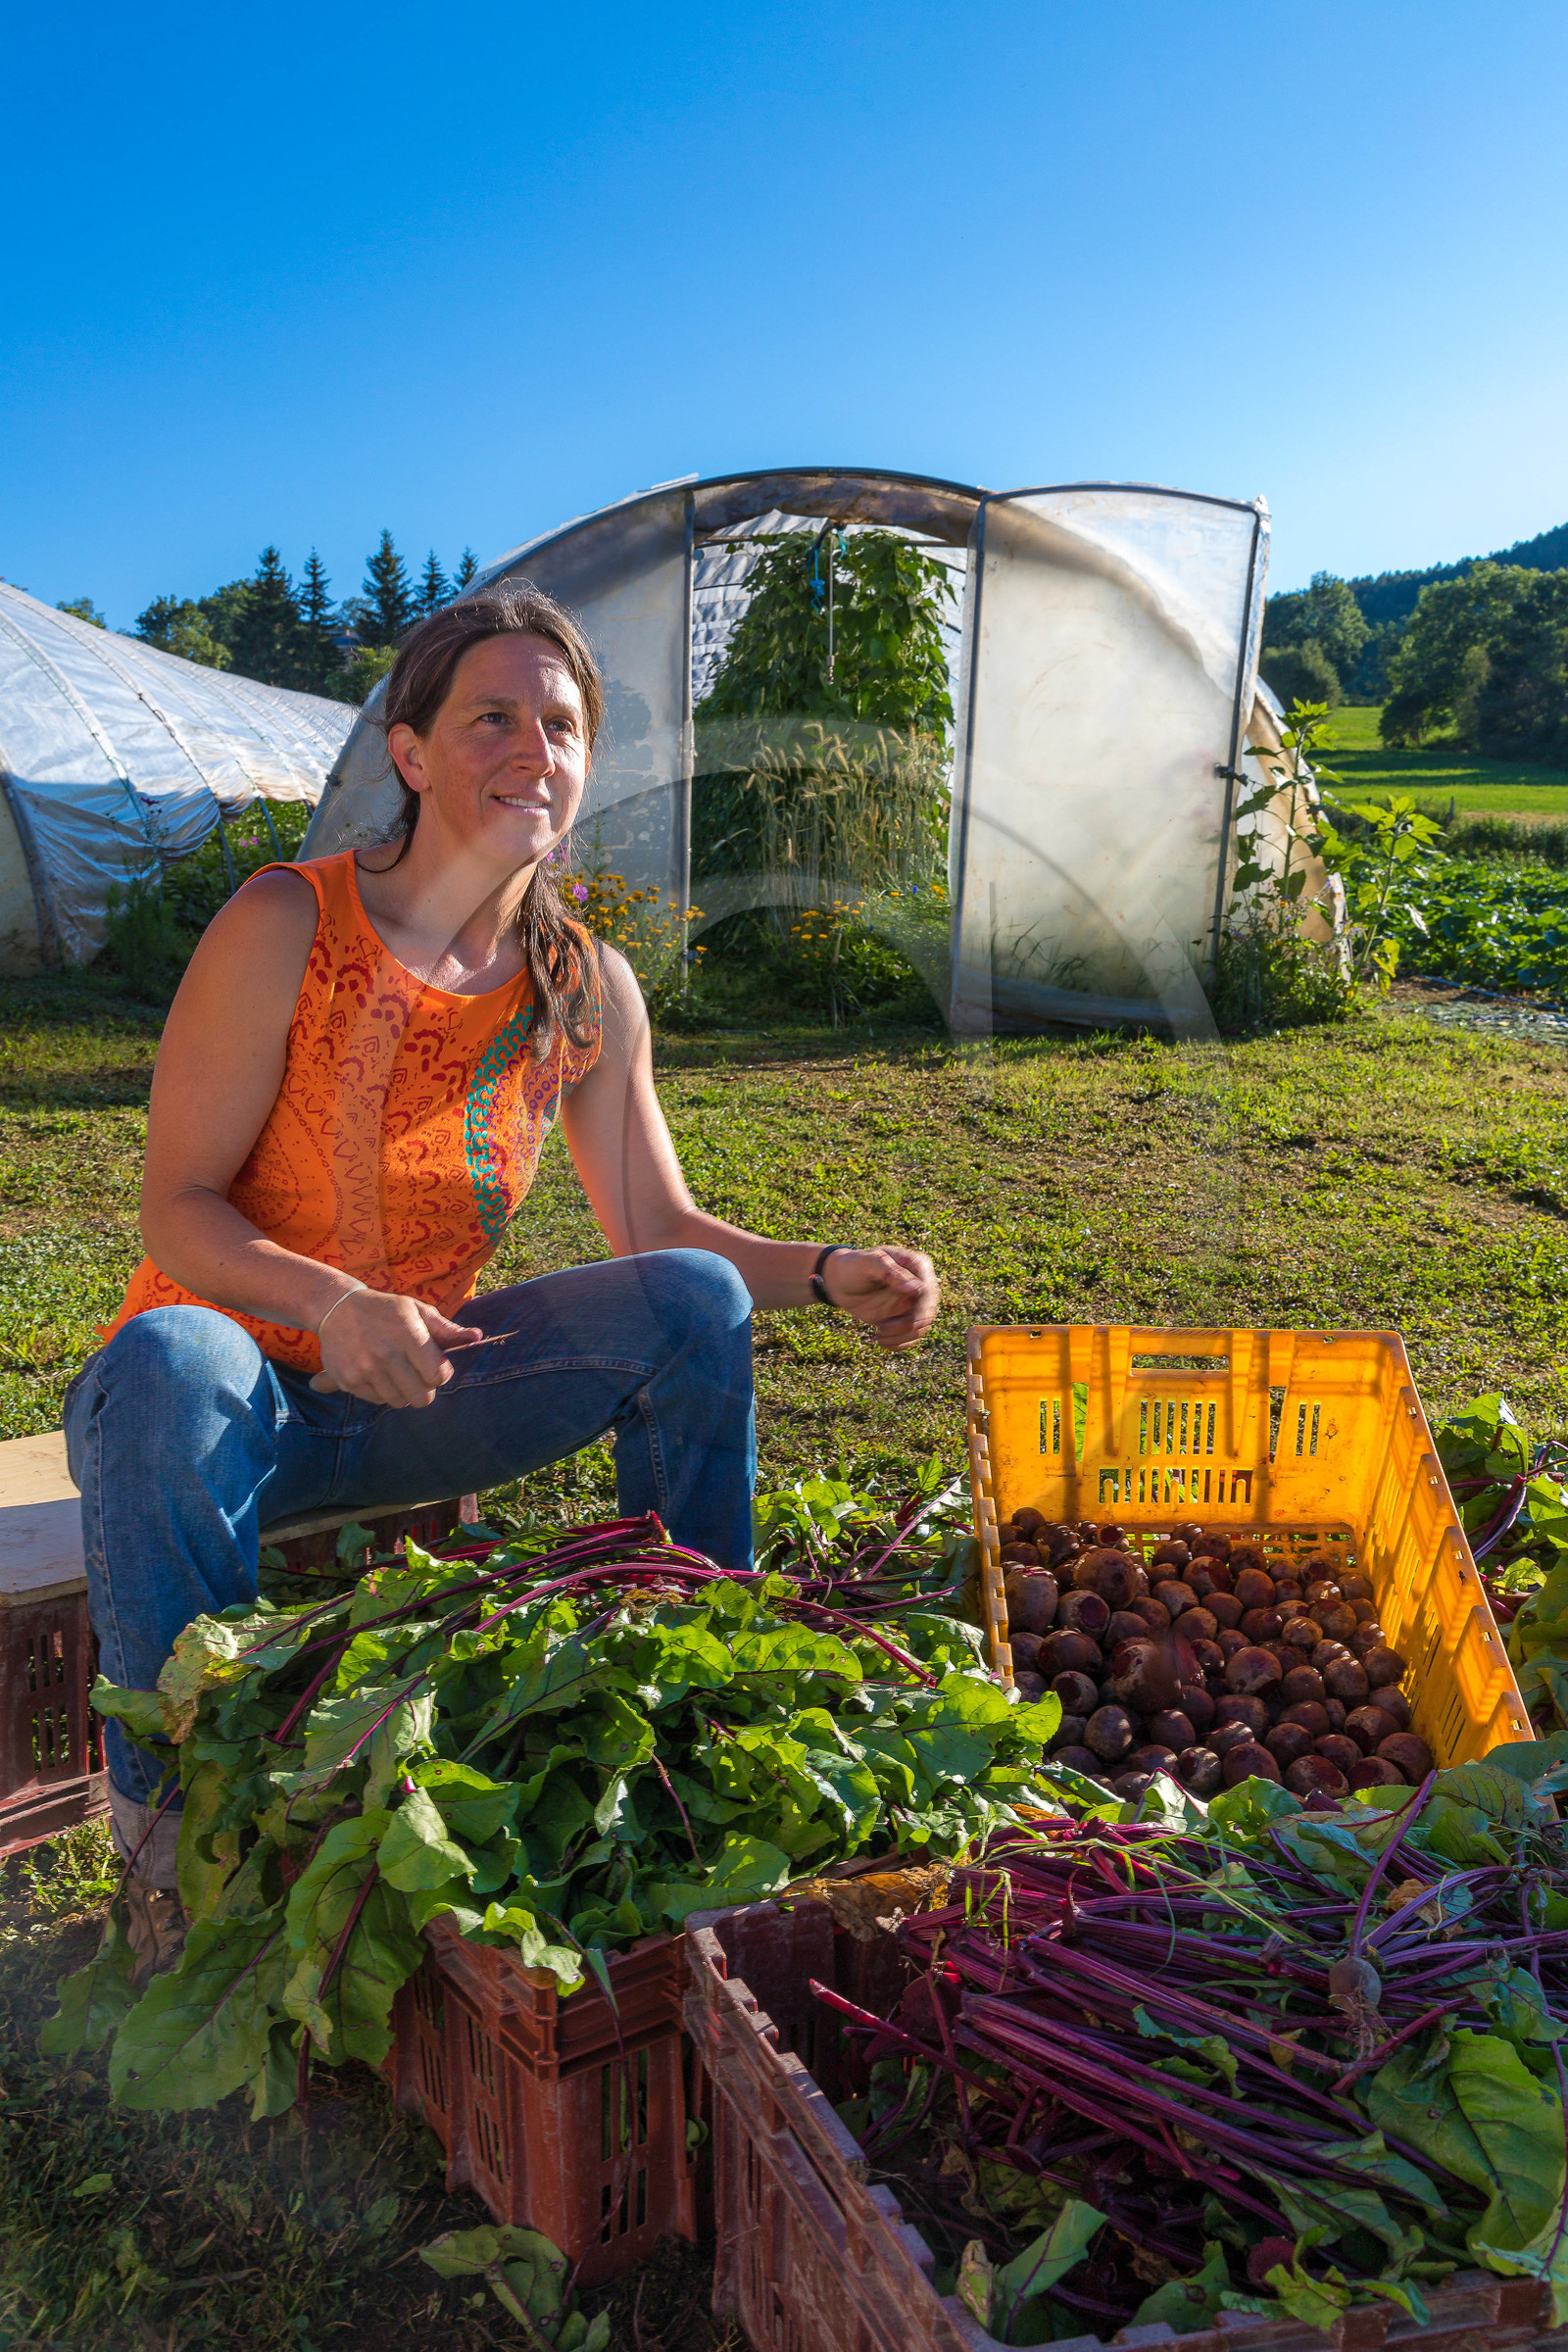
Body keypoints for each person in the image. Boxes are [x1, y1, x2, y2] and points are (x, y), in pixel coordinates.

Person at [65, 581, 940, 1969]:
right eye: (492, 717)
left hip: (421, 1392)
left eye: (561, 721)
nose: (533, 746)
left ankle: (710, 1703)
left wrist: (827, 1270)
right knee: (180, 1354)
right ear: (410, 754)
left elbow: (663, 1226)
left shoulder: (581, 984)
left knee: (692, 1306)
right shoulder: (288, 923)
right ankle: (183, 1855)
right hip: (216, 1417)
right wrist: (332, 1304)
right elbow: (177, 1209)